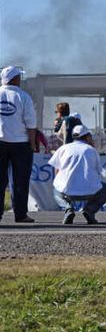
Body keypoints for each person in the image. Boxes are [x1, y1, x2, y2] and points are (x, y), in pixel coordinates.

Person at [49, 125, 106, 224]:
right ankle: (89, 210)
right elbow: (98, 171)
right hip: (90, 191)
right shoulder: (91, 150)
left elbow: (57, 170)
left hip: (67, 191)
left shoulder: (64, 148)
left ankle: (68, 209)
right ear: (87, 137)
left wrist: (61, 183)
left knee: (55, 188)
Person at [0, 66, 36, 223]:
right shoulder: (23, 96)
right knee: (20, 180)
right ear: (14, 79)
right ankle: (20, 214)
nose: (20, 80)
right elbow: (31, 124)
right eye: (18, 77)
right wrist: (33, 143)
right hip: (20, 143)